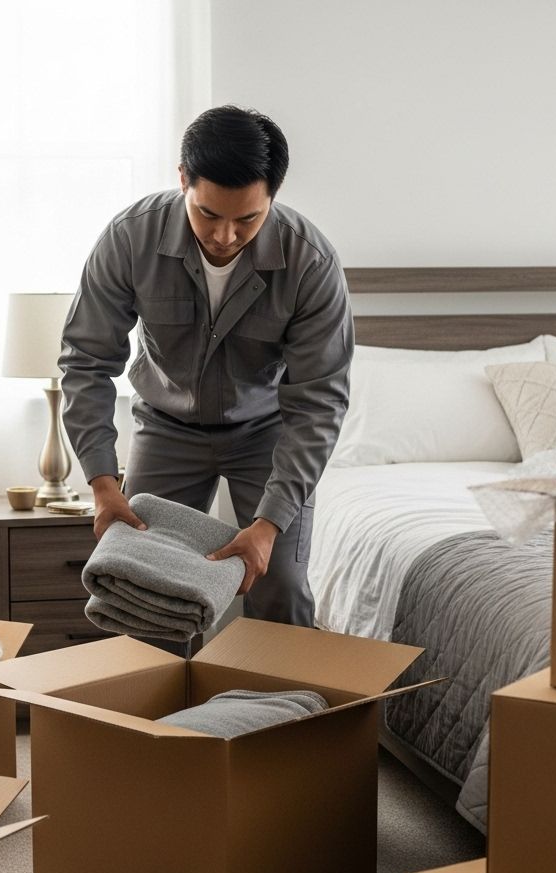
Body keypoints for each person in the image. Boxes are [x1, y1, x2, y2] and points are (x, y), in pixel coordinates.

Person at [59, 105, 353, 628]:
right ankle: (154, 709)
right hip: (167, 429)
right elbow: (86, 360)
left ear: (272, 198)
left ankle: (280, 709)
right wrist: (103, 482)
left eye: (247, 219)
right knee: (141, 589)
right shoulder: (130, 238)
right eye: (208, 214)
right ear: (183, 182)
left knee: (280, 585)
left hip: (266, 434)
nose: (223, 236)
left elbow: (318, 402)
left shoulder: (311, 263)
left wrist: (268, 525)